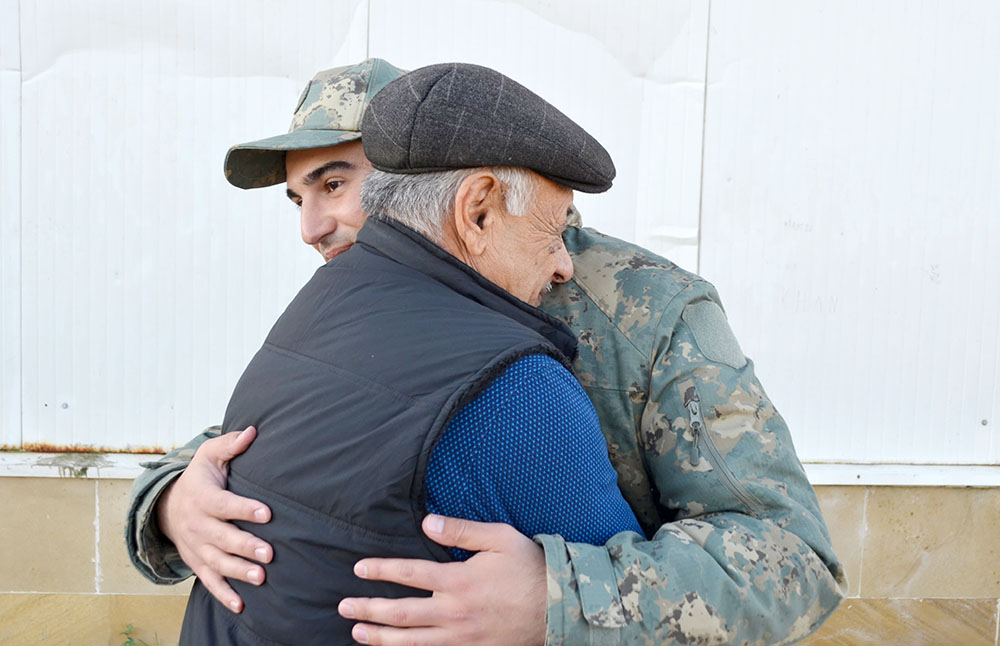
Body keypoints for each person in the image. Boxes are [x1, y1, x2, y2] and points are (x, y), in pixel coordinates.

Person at [126, 59, 847, 645]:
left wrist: (565, 601)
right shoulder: (365, 293)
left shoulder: (650, 314)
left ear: (441, 178)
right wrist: (172, 502)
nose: (313, 227)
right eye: (298, 198)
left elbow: (794, 560)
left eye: (340, 183)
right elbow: (277, 448)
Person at [177, 61, 644, 645]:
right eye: (553, 233)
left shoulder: (314, 308)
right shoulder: (518, 388)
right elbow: (628, 616)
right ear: (477, 211)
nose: (563, 264)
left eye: (335, 184)